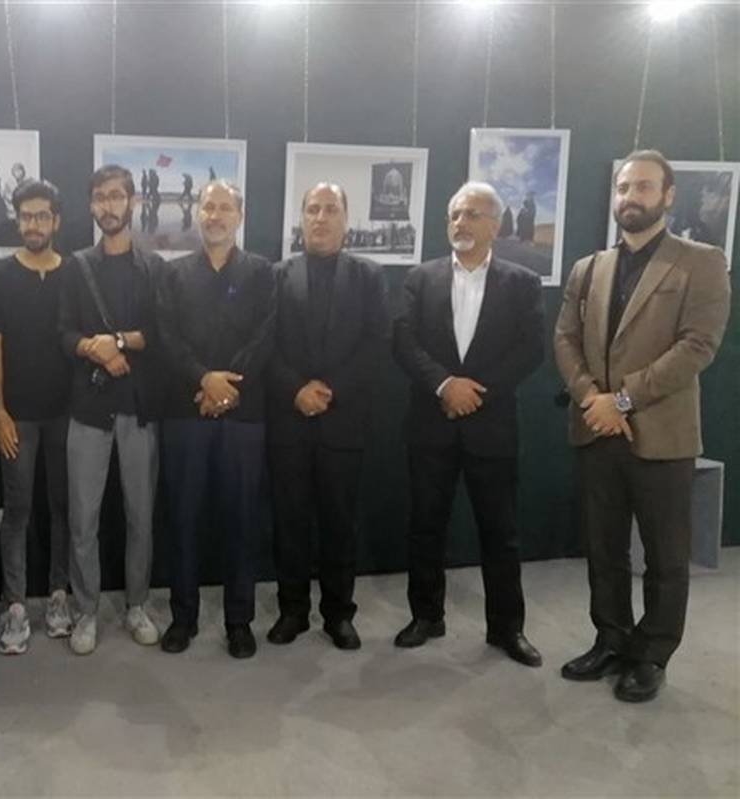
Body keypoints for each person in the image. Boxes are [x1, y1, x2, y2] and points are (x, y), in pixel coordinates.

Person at [554, 150, 730, 702]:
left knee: (664, 556)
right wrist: (593, 399)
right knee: (603, 548)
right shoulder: (589, 268)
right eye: (624, 187)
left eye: (645, 187)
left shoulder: (701, 262)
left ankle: (652, 653)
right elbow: (565, 338)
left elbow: (697, 347)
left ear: (668, 195)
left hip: (661, 434)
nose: (631, 196)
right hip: (596, 430)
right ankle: (611, 638)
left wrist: (624, 400)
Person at [391, 181, 545, 667]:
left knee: (500, 532)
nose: (460, 223)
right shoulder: (421, 278)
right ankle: (426, 616)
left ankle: (506, 628)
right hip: (431, 421)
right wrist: (445, 386)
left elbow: (530, 350)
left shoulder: (522, 282)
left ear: (495, 226)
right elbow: (403, 341)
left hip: (491, 426)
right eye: (454, 215)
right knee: (425, 526)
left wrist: (475, 392)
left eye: (472, 215)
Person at [264, 183, 389, 651]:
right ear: (301, 218)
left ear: (345, 219)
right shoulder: (277, 276)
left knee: (340, 524)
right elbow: (265, 344)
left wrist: (329, 392)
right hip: (289, 420)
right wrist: (296, 390)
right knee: (289, 522)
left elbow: (376, 343)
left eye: (330, 209)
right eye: (312, 209)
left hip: (343, 421)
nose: (320, 217)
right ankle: (292, 611)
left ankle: (339, 614)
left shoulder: (369, 276)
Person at [156, 180, 275, 659]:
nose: (216, 215)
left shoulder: (263, 273)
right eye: (209, 207)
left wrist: (226, 390)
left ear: (239, 216)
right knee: (182, 519)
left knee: (241, 521)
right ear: (197, 214)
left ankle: (239, 621)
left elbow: (266, 336)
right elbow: (166, 337)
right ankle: (182, 618)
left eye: (225, 207)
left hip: (244, 416)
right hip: (185, 413)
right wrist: (204, 379)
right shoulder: (173, 274)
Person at [58, 165, 165, 655]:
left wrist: (117, 340)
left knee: (141, 516)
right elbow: (64, 333)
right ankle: (85, 611)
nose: (109, 205)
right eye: (101, 197)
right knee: (84, 519)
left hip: (138, 410)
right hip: (89, 410)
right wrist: (93, 349)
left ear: (133, 202)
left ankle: (137, 605)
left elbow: (159, 334)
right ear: (91, 206)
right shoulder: (76, 267)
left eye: (117, 196)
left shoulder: (154, 268)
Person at [0, 180, 74, 655]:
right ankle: (15, 605)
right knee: (17, 511)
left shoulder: (74, 273)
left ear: (56, 220)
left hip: (67, 415)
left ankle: (58, 595)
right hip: (17, 417)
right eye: (26, 216)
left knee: (63, 508)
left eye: (41, 216)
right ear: (17, 221)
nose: (33, 224)